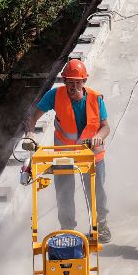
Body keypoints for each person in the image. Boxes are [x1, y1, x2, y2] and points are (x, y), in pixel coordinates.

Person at [35, 58, 111, 242]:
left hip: (92, 154)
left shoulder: (95, 99)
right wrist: (30, 134)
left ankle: (101, 225)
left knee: (96, 190)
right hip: (65, 154)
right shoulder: (55, 96)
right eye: (70, 82)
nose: (74, 86)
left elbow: (105, 127)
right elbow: (32, 116)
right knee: (64, 192)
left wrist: (99, 136)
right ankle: (67, 228)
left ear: (84, 81)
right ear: (64, 81)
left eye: (78, 82)